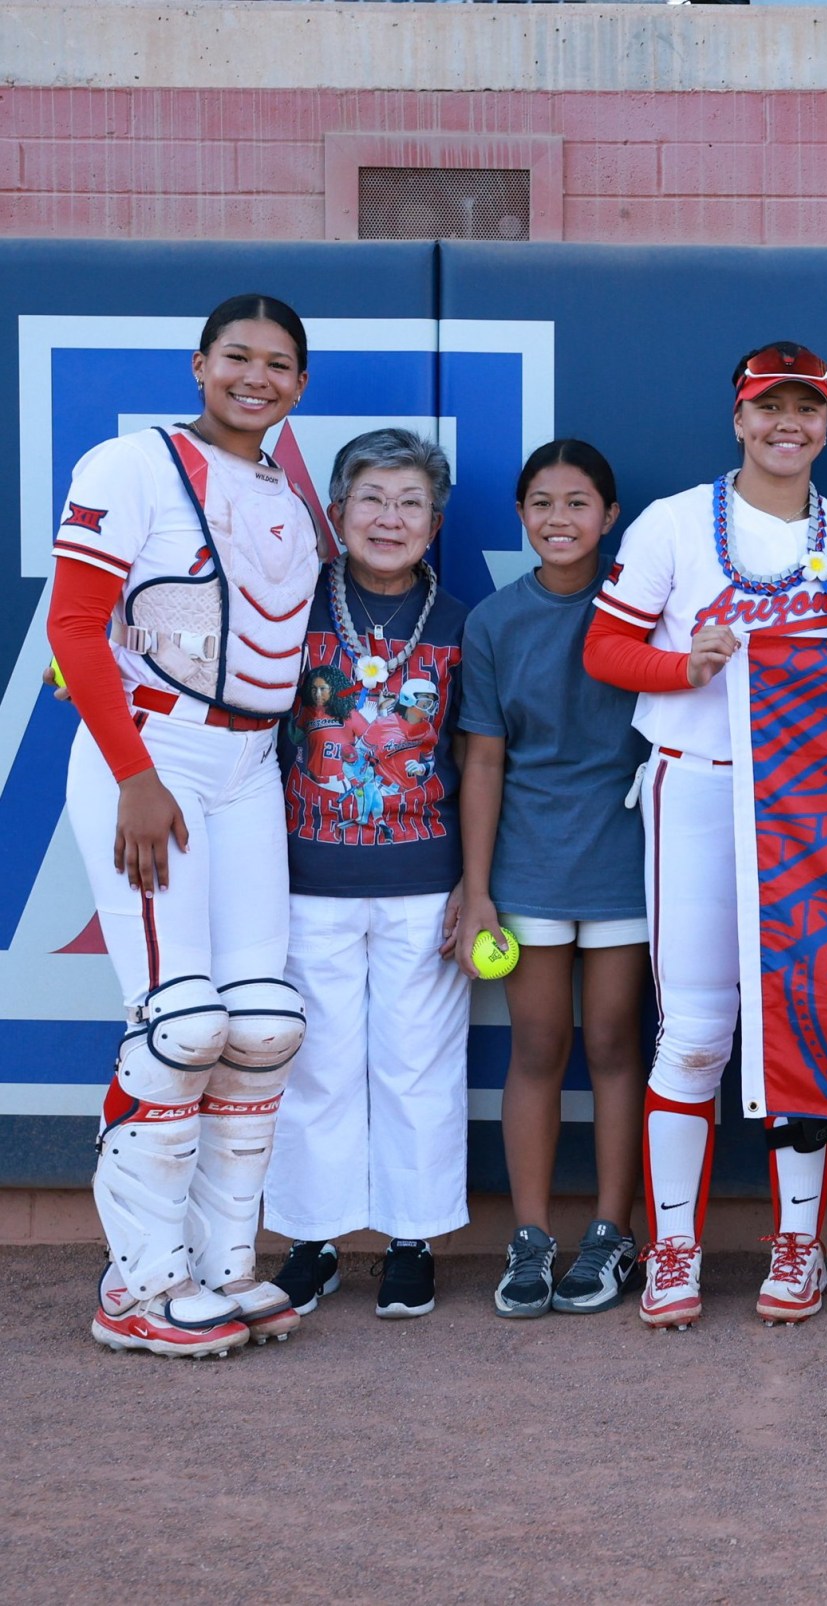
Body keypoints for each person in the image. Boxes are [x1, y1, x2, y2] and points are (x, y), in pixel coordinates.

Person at [585, 342, 827, 1330]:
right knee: (698, 1030)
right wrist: (682, 666)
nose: (785, 424)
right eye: (769, 408)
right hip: (702, 788)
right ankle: (675, 1244)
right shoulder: (677, 522)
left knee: (800, 1029)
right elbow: (604, 648)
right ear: (738, 419)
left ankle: (798, 1245)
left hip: (814, 805)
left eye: (804, 408)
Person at [48, 294, 317, 1357]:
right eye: (238, 357)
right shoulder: (130, 465)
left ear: (301, 384)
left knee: (260, 1027)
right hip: (152, 752)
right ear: (199, 365)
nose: (257, 377)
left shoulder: (285, 495)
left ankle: (220, 1267)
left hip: (248, 763)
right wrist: (133, 772)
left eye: (280, 364)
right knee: (178, 1024)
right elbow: (74, 621)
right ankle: (139, 1284)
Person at [264, 429, 472, 1321]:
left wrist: (474, 883)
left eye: (411, 503)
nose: (390, 519)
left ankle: (412, 1239)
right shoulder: (285, 609)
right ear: (336, 512)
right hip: (306, 881)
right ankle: (312, 1240)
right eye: (372, 500)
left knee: (417, 1065)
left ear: (436, 522)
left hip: (425, 883)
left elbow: (481, 759)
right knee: (314, 1065)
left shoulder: (465, 621)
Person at [456, 441, 651, 1318]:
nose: (560, 519)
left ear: (610, 517)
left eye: (579, 502)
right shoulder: (495, 621)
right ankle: (529, 1238)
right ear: (522, 515)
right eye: (541, 502)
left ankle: (614, 1234)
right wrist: (480, 887)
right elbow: (485, 763)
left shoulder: (645, 608)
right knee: (537, 1049)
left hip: (624, 861)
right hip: (526, 868)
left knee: (615, 1045)